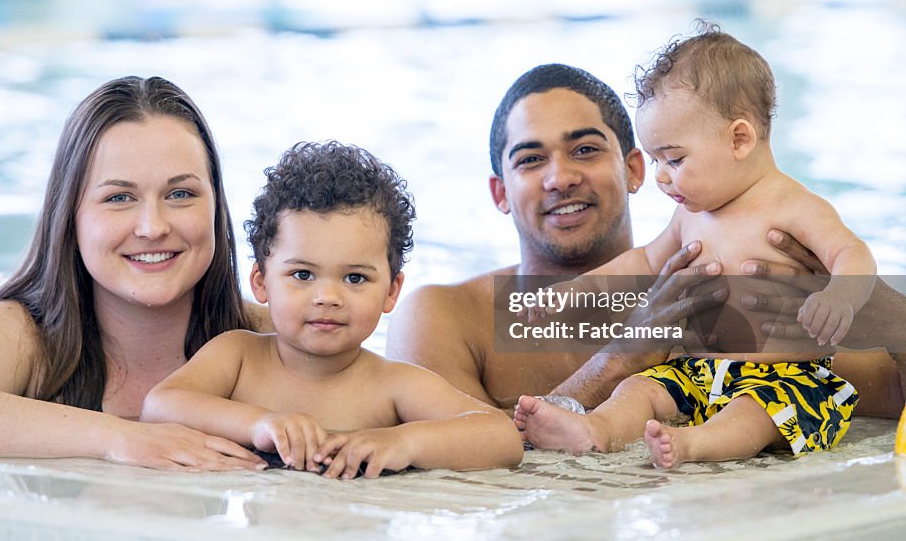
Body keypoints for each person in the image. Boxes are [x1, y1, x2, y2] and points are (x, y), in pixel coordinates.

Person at [385, 61, 906, 420]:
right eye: (530, 159)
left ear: (637, 169)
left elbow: (893, 401)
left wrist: (886, 316)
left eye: (585, 149)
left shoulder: (742, 287)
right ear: (500, 192)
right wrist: (618, 360)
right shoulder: (448, 317)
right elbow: (446, 468)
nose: (560, 177)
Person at [514, 25, 874, 467]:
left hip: (784, 377)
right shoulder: (690, 215)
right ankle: (597, 428)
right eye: (656, 161)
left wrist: (840, 295)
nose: (662, 176)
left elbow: (852, 253)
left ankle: (693, 445)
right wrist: (574, 291)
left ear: (739, 139)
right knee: (639, 388)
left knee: (754, 415)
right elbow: (644, 260)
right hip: (701, 373)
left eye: (675, 159)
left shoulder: (794, 206)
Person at [0, 76, 269, 471]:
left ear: (217, 207)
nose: (153, 227)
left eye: (180, 194)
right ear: (70, 216)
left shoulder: (273, 336)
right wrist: (119, 437)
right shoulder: (31, 337)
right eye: (119, 197)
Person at [141, 141, 523, 479]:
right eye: (303, 274)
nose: (327, 297)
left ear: (391, 291)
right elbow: (159, 408)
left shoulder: (394, 385)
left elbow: (500, 436)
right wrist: (257, 423)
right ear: (261, 282)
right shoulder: (238, 356)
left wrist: (403, 442)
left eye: (355, 279)